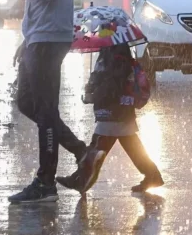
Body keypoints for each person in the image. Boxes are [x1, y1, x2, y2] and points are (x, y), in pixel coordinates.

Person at [8, 0, 87, 203]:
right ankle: (80, 150)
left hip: (49, 39)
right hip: (38, 38)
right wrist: (27, 39)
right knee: (27, 102)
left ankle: (45, 182)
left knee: (44, 110)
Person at [56, 44, 164, 193]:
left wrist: (93, 94)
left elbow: (109, 84)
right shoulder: (118, 51)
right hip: (121, 110)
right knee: (130, 145)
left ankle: (80, 180)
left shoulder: (112, 53)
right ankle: (152, 175)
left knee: (97, 148)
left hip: (112, 110)